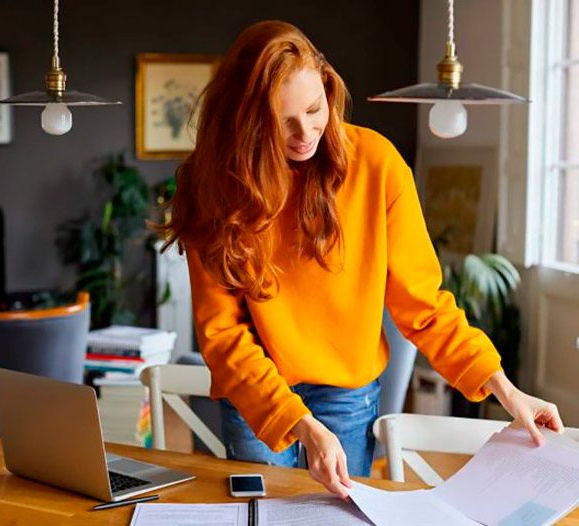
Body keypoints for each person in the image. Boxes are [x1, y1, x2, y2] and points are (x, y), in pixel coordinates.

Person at [154, 20, 564, 498]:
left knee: (341, 513)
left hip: (348, 393)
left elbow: (423, 305)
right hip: (256, 389)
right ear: (246, 120)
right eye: (282, 120)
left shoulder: (377, 164)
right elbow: (222, 335)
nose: (304, 132)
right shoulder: (214, 185)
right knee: (263, 512)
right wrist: (297, 422)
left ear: (328, 88)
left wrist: (504, 390)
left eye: (313, 109)